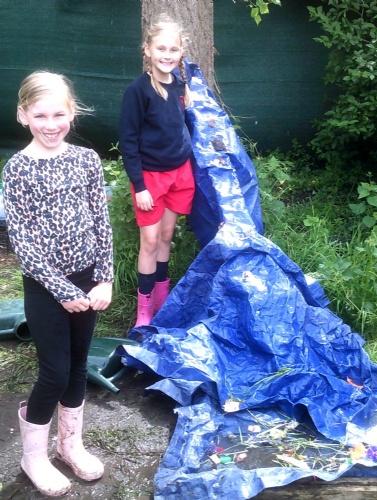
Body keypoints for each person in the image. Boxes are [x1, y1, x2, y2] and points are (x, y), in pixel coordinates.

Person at [2, 71, 113, 496]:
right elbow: (22, 243)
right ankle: (33, 457)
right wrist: (63, 291)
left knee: (78, 367)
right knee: (55, 372)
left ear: (72, 113)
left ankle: (69, 446)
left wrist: (104, 278)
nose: (51, 125)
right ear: (23, 115)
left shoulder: (86, 159)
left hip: (88, 281)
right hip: (46, 288)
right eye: (40, 115)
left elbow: (101, 223)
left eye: (59, 115)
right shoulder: (17, 169)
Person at [119, 15, 195, 327]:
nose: (167, 55)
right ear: (147, 50)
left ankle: (163, 299)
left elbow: (183, 129)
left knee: (165, 236)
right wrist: (139, 186)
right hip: (150, 179)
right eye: (160, 48)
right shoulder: (138, 91)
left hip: (180, 174)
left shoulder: (181, 86)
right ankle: (144, 309)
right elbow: (128, 141)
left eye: (173, 49)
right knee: (149, 241)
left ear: (181, 52)